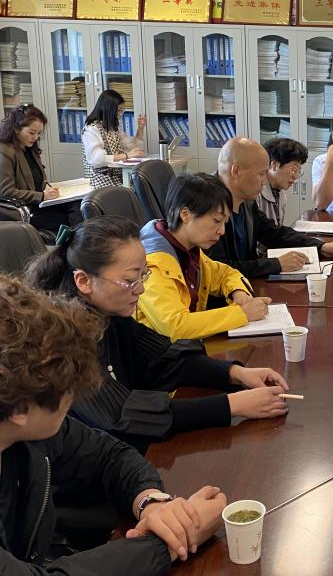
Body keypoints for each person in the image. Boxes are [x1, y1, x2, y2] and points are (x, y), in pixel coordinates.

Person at [0, 273, 226, 573]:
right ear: (19, 408)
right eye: (68, 386)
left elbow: (108, 455)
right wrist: (175, 539)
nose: (76, 395)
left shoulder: (27, 431)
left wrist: (152, 503)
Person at [26, 216, 291, 453]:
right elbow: (122, 416)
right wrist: (231, 406)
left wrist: (235, 373)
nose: (140, 289)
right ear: (83, 281)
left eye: (143, 275)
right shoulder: (61, 344)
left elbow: (165, 358)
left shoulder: (109, 312)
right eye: (130, 280)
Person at [137, 172, 271, 341]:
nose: (221, 231)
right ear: (185, 214)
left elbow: (225, 274)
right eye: (217, 221)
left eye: (224, 223)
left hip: (188, 348)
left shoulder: (188, 249)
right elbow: (175, 326)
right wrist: (241, 313)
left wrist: (238, 293)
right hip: (160, 354)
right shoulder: (152, 265)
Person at [207, 137, 333, 278]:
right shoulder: (206, 205)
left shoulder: (246, 201)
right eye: (261, 174)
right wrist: (276, 264)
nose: (265, 181)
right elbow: (217, 270)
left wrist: (320, 246)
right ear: (236, 171)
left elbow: (274, 233)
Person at [0, 104, 81, 231]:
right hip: (24, 209)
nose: (35, 137)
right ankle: (76, 240)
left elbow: (37, 181)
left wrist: (48, 193)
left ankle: (79, 239)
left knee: (78, 206)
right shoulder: (5, 151)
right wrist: (41, 196)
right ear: (16, 129)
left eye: (39, 133)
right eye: (32, 132)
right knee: (65, 218)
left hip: (40, 203)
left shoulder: (30, 148)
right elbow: (6, 192)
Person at [82, 89, 146, 188]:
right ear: (108, 109)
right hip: (100, 178)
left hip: (117, 176)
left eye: (122, 110)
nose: (120, 114)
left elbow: (132, 148)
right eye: (119, 110)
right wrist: (126, 155)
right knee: (133, 192)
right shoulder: (91, 129)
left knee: (144, 187)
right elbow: (97, 159)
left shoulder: (113, 127)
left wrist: (140, 129)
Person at [257, 137, 308, 226]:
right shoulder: (256, 194)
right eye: (294, 169)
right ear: (274, 165)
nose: (296, 176)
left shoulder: (280, 194)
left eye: (298, 171)